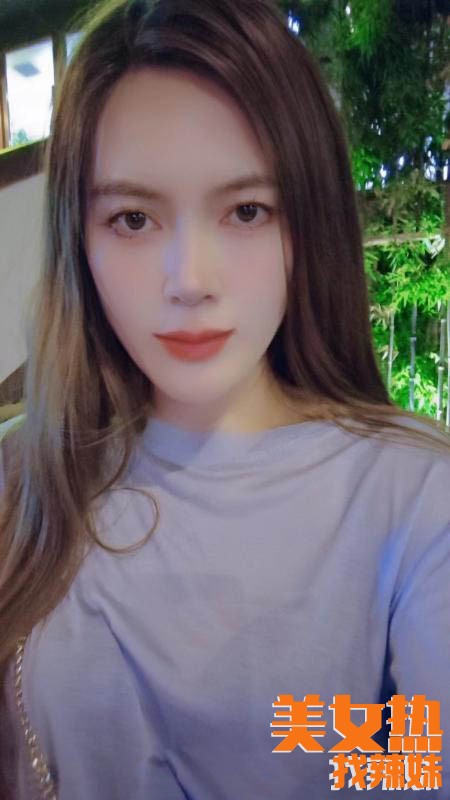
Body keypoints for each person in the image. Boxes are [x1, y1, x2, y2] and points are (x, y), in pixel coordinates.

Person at [0, 0, 449, 797]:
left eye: (246, 211)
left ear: (307, 226)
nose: (190, 280)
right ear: (80, 238)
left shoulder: (413, 497)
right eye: (133, 219)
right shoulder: (26, 478)